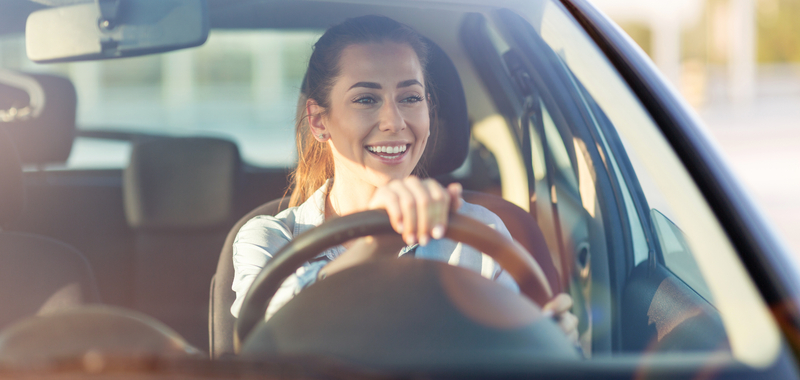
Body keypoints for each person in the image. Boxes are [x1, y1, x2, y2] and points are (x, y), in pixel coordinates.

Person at [230, 15, 578, 342]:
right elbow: (266, 346)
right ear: (319, 121)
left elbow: (510, 352)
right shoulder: (268, 239)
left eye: (410, 98)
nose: (393, 121)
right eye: (366, 99)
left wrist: (548, 341)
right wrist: (376, 246)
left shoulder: (479, 233)